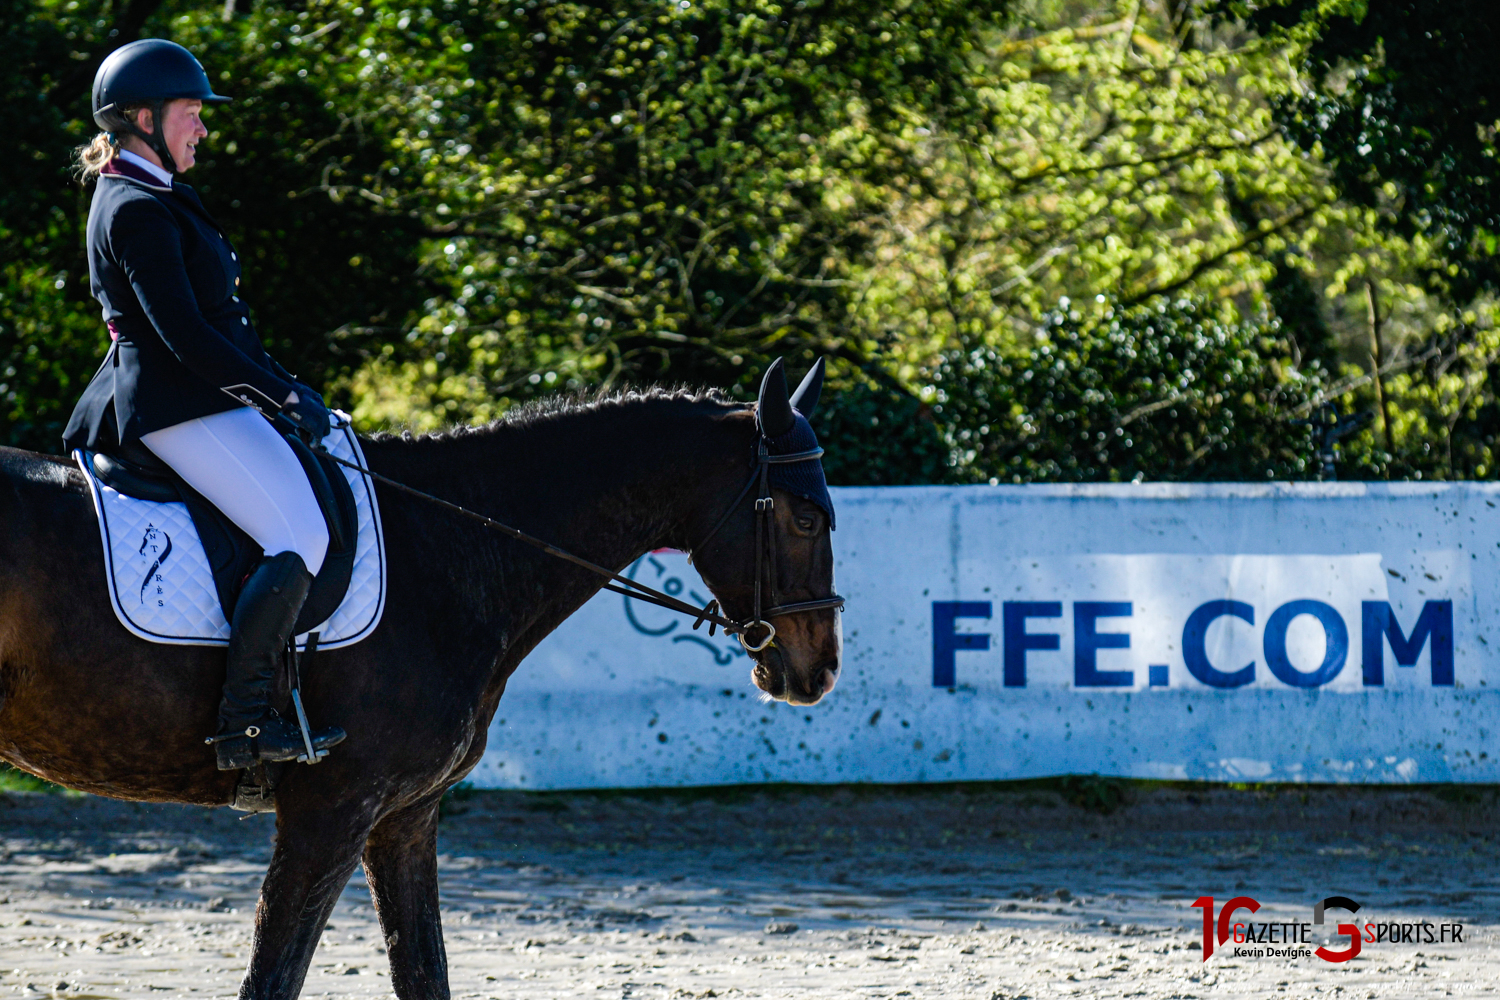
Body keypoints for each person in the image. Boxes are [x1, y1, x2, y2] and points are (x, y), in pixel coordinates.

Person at [63, 39, 346, 771]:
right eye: (192, 113)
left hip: (199, 396)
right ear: (143, 118)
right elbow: (185, 337)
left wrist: (289, 384)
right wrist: (277, 395)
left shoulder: (155, 192)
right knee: (300, 538)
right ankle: (244, 724)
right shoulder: (133, 209)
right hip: (174, 406)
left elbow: (222, 325)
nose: (203, 128)